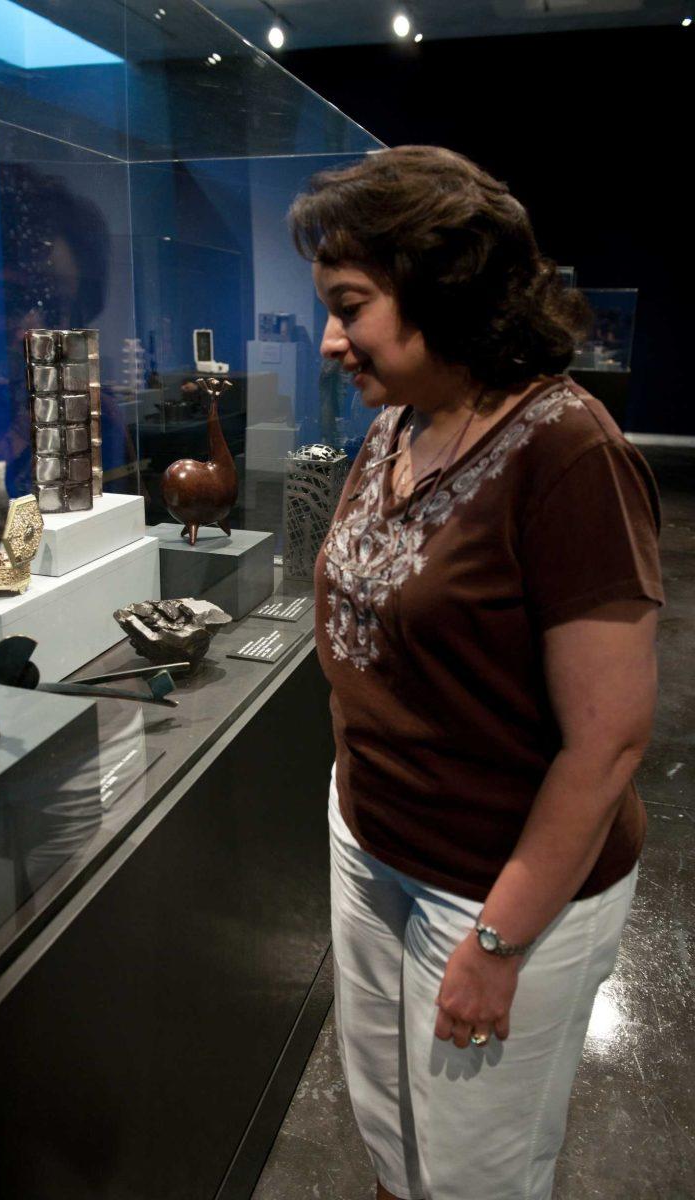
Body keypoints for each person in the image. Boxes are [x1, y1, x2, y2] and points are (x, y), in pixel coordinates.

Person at [288, 146, 664, 1200]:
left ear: (443, 289)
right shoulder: (395, 426)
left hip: (497, 887)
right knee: (388, 1134)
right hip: (372, 839)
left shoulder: (567, 455)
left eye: (349, 306)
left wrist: (496, 943)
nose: (329, 340)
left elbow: (607, 745)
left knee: (473, 1173)